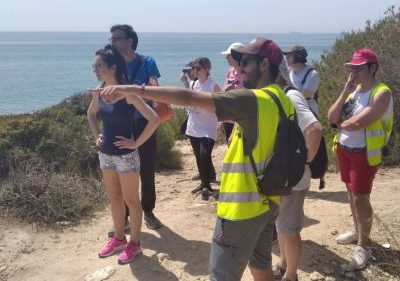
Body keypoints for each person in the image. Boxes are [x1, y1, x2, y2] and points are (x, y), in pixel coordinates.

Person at [93, 37, 295, 281]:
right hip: (268, 201)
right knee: (261, 267)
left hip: (241, 209)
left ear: (264, 65)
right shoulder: (283, 99)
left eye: (246, 62)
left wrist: (132, 89)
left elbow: (187, 98)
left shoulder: (254, 100)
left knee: (221, 275)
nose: (240, 68)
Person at [87, 45, 160, 264]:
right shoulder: (99, 91)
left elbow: (154, 119)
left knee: (131, 200)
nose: (95, 70)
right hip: (106, 154)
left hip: (126, 156)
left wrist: (136, 142)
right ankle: (119, 238)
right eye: (94, 66)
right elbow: (91, 114)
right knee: (115, 197)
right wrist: (96, 135)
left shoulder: (127, 92)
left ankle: (134, 244)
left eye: (99, 66)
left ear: (113, 67)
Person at [327, 48, 393, 270]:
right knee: (350, 191)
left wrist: (339, 124)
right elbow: (331, 116)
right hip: (344, 149)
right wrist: (346, 87)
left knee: (360, 198)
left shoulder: (381, 92)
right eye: (352, 67)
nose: (354, 71)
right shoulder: (354, 90)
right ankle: (358, 230)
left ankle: (364, 246)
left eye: (359, 67)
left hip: (364, 153)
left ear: (372, 68)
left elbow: (358, 123)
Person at [109, 24, 163, 230]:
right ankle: (123, 217)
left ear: (129, 40)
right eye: (112, 38)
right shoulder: (113, 64)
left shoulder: (147, 61)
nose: (113, 42)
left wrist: (148, 88)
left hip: (144, 122)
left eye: (117, 38)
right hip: (121, 124)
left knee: (147, 169)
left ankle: (148, 211)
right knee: (121, 172)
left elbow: (154, 86)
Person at [273, 61, 323, 281]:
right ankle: (284, 265)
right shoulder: (282, 96)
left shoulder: (291, 97)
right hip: (285, 176)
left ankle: (291, 276)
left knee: (289, 228)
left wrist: (304, 163)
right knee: (281, 225)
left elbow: (315, 129)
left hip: (293, 177)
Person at [186, 57, 221, 200]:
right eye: (194, 68)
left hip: (208, 127)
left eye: (198, 68)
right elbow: (188, 101)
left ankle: (207, 186)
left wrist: (222, 124)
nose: (194, 70)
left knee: (205, 155)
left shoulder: (214, 86)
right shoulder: (193, 84)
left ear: (207, 69)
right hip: (194, 126)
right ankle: (203, 184)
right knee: (198, 157)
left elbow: (221, 106)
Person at [283, 45, 320, 115]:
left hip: (307, 113)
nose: (286, 58)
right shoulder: (289, 73)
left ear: (298, 57)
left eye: (289, 56)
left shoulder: (312, 74)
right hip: (292, 112)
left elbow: (305, 94)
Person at [220, 42, 245, 143]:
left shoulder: (246, 74)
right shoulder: (230, 72)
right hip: (228, 118)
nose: (227, 58)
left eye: (229, 56)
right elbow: (223, 94)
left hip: (240, 121)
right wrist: (221, 120)